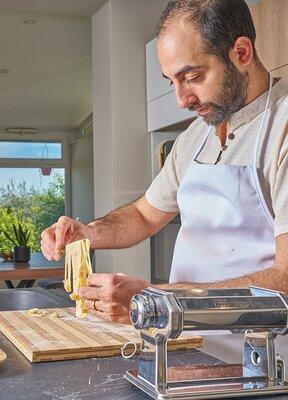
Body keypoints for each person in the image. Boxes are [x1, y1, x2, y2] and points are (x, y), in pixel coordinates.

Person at [41, 0, 288, 324]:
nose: (181, 100)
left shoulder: (282, 127)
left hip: (262, 359)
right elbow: (144, 215)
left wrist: (156, 301)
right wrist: (89, 233)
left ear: (241, 53)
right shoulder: (195, 136)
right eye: (172, 81)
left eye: (193, 76)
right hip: (186, 345)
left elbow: (284, 281)